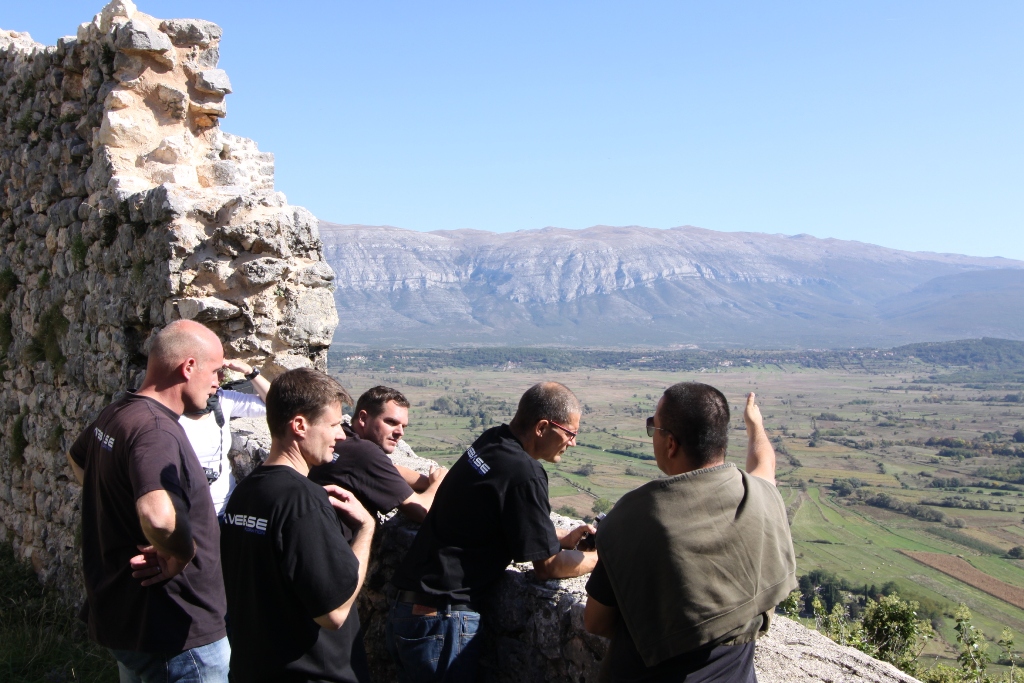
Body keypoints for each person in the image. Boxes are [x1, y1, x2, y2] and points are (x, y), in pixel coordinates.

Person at [386, 381, 598, 682]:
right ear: (542, 427)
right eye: (570, 433)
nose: (572, 443)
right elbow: (548, 567)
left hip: (410, 610)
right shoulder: (525, 472)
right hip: (441, 620)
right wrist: (600, 558)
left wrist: (561, 536)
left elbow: (495, 514)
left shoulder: (492, 441)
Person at [583, 385, 797, 682]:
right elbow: (765, 466)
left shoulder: (634, 518)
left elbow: (596, 622)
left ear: (671, 443)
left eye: (653, 427)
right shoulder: (760, 496)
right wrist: (755, 427)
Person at [66, 319, 230, 682]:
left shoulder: (119, 412)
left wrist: (118, 506)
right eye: (216, 371)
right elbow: (157, 517)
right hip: (173, 631)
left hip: (129, 616)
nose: (219, 382)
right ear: (188, 367)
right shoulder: (156, 431)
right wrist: (181, 554)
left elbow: (78, 459)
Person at [220, 368, 375, 683]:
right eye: (333, 425)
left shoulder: (244, 493)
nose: (342, 435)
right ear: (300, 426)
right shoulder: (303, 502)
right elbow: (334, 612)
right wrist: (366, 530)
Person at [309, 385, 446, 525]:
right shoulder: (363, 452)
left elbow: (389, 469)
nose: (400, 432)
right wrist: (438, 483)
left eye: (403, 426)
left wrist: (426, 481)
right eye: (391, 422)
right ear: (363, 418)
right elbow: (423, 511)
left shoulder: (345, 440)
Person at [179, 359, 270, 515]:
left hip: (224, 509)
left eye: (221, 371)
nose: (220, 378)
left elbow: (275, 403)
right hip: (185, 514)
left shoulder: (222, 400)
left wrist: (250, 372)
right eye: (214, 372)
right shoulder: (165, 411)